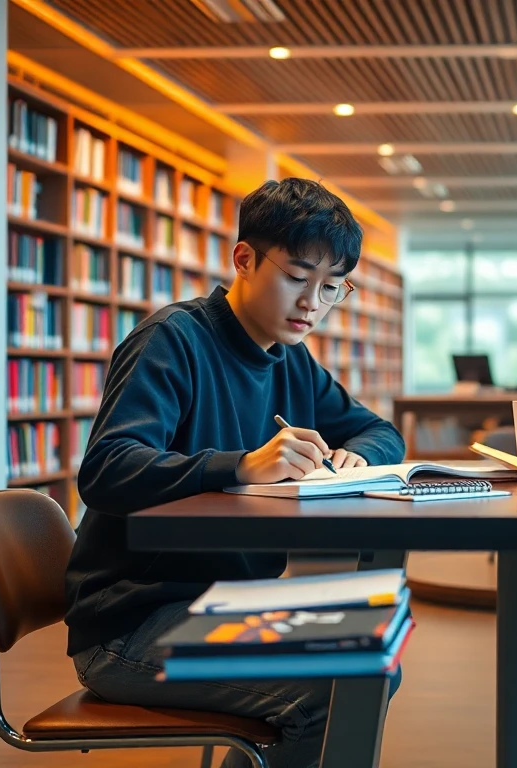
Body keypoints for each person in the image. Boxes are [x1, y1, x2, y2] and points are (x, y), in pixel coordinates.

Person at [64, 178, 406, 768]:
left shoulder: (290, 360)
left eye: (331, 288)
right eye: (297, 277)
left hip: (225, 604)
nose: (313, 304)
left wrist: (361, 456)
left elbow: (380, 431)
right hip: (132, 624)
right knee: (342, 683)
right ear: (244, 259)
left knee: (376, 646)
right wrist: (243, 466)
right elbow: (106, 468)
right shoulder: (173, 340)